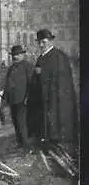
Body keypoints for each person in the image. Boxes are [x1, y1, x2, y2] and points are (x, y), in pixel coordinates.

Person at [27, 29, 79, 157]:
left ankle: (57, 142)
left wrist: (41, 73)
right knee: (45, 119)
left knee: (56, 117)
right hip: (43, 95)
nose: (41, 45)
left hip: (56, 95)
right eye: (39, 42)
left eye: (43, 42)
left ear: (50, 41)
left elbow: (61, 78)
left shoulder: (59, 56)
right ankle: (47, 140)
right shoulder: (41, 57)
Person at [2, 45, 34, 149]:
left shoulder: (28, 66)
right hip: (13, 100)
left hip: (23, 100)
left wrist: (28, 97)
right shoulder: (11, 68)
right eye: (13, 55)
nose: (15, 57)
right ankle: (20, 143)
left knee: (22, 123)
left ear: (22, 55)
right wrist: (4, 99)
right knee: (15, 122)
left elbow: (32, 84)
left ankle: (26, 145)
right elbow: (7, 85)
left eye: (17, 55)